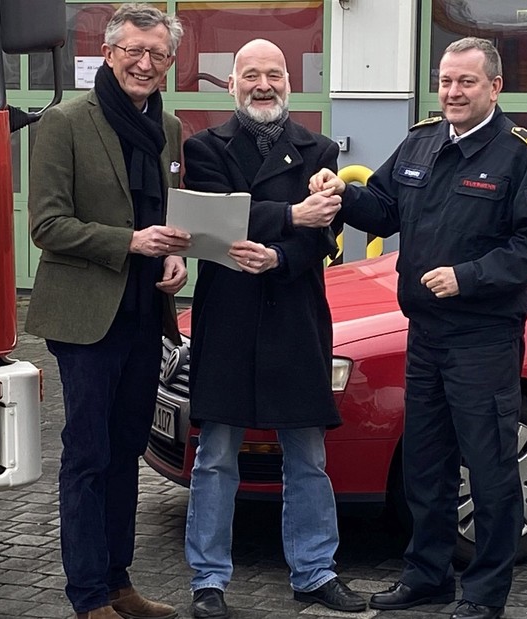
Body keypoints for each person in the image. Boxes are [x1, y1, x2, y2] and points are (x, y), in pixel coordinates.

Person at [310, 37, 527, 619]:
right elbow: (383, 206)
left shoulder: (519, 155)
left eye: (466, 83)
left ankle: (484, 592)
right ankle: (427, 576)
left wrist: (469, 276)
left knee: (490, 465)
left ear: (494, 88)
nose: (453, 92)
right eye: (446, 81)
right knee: (426, 463)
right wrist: (341, 193)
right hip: (423, 334)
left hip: (483, 338)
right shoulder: (422, 140)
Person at [180, 38, 364, 619]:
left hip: (294, 316)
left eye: (275, 74)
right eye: (251, 75)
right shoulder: (203, 147)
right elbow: (207, 219)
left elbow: (323, 236)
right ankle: (208, 581)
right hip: (229, 315)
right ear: (232, 85)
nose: (264, 84)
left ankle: (315, 572)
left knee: (307, 455)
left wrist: (280, 255)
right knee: (215, 456)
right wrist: (289, 215)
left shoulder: (320, 149)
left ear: (290, 82)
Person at [25, 5, 189, 619]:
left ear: (169, 62)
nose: (145, 64)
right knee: (88, 455)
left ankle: (120, 586)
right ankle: (88, 595)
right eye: (134, 51)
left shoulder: (169, 129)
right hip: (85, 318)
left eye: (158, 55)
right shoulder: (66, 122)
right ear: (109, 50)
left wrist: (177, 259)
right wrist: (129, 243)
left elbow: (173, 217)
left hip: (147, 312)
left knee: (126, 452)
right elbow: (46, 224)